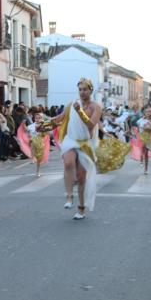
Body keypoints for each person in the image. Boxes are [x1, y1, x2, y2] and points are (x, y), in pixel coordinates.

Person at [51, 78, 103, 220]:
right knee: (68, 162)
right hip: (71, 139)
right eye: (80, 89)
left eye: (85, 89)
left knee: (81, 177)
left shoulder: (96, 107)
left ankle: (81, 208)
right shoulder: (72, 104)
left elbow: (91, 125)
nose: (82, 92)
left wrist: (80, 111)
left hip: (86, 144)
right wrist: (43, 123)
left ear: (90, 90)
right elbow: (59, 119)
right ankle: (69, 196)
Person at [137, 107, 151, 175]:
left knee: (146, 153)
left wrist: (148, 128)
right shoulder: (141, 119)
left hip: (148, 137)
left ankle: (146, 168)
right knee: (143, 149)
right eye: (147, 111)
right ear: (145, 113)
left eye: (150, 111)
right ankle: (141, 158)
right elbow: (138, 126)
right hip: (141, 137)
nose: (149, 113)